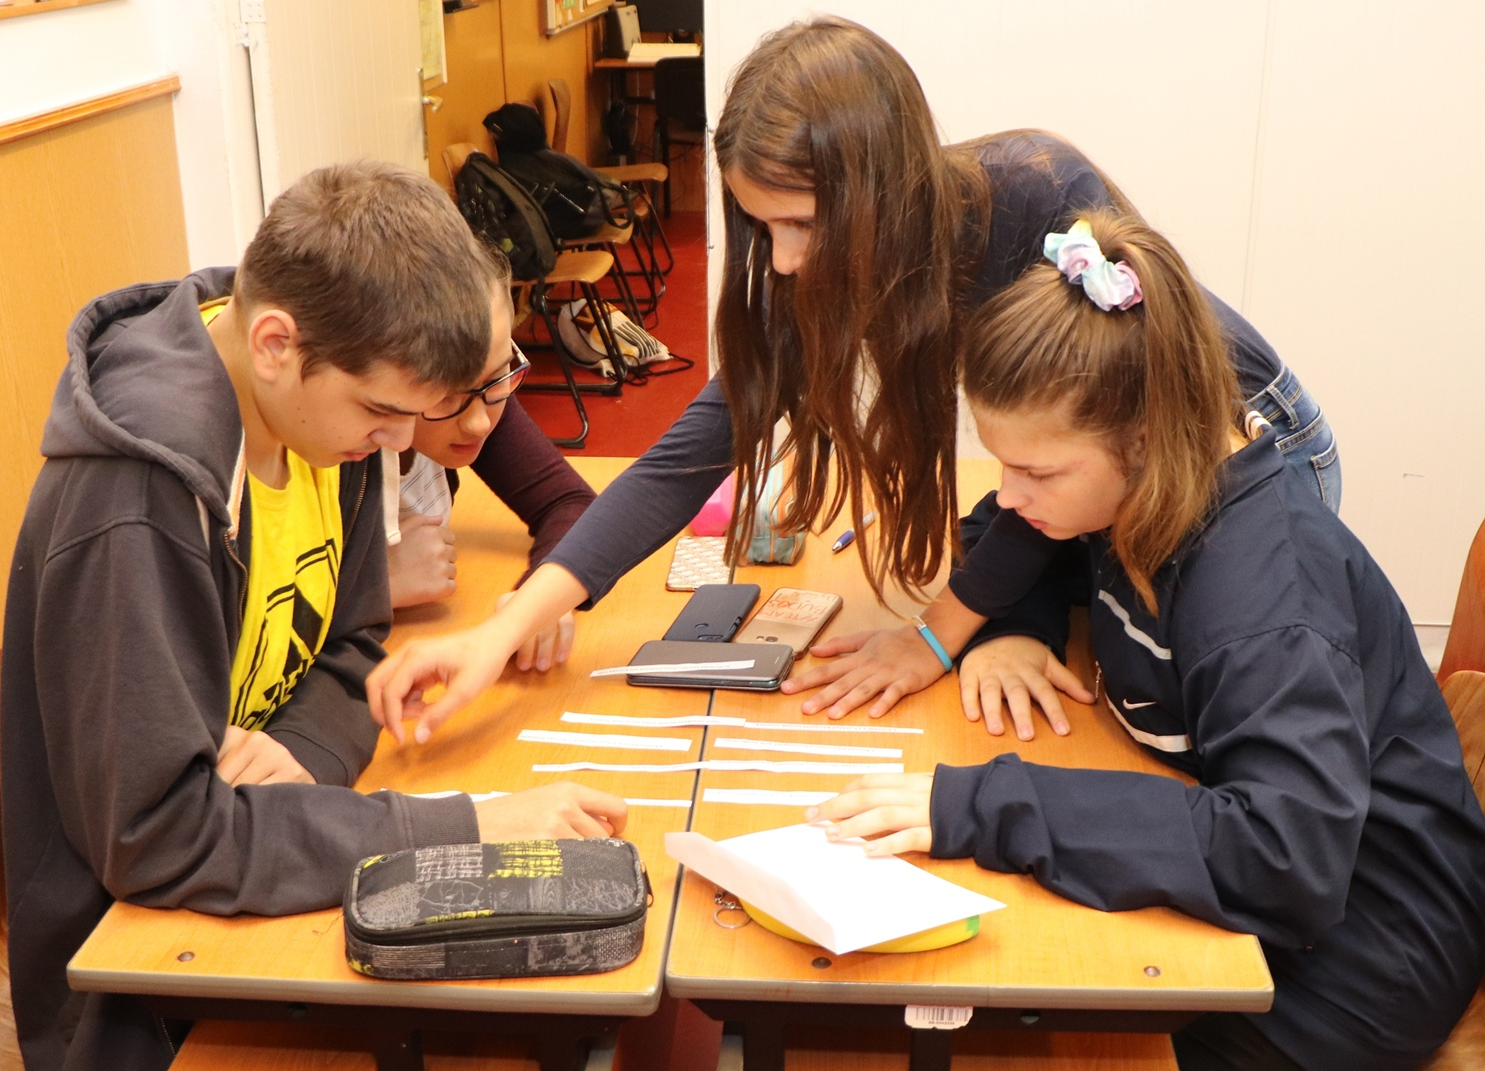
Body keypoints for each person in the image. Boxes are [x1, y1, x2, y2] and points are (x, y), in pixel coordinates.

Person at [365, 16, 1338, 748]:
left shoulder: (1035, 197)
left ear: (876, 191)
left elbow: (1070, 468)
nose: (784, 261)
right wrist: (506, 627)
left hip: (1244, 451)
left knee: (1182, 733)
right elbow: (681, 463)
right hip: (1099, 489)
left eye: (800, 223)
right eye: (762, 227)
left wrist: (935, 637)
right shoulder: (823, 264)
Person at [806, 208, 1485, 1071]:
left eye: (1038, 474)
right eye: (1002, 463)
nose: (1009, 499)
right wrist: (1010, 629)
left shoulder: (1262, 596)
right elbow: (1033, 542)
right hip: (1294, 905)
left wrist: (984, 803)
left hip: (1361, 963)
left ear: (1144, 437)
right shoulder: (1145, 492)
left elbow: (1287, 854)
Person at [0, 161, 626, 1071]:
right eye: (383, 412)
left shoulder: (319, 413)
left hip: (253, 910)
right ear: (277, 342)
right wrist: (464, 829)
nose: (398, 444)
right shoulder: (140, 493)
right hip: (148, 1023)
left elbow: (352, 646)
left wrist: (293, 757)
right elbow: (158, 837)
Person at [381, 238, 595, 673]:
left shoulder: (478, 393)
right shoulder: (340, 445)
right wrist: (376, 586)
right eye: (445, 394)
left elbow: (568, 501)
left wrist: (538, 594)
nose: (479, 423)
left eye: (500, 374)